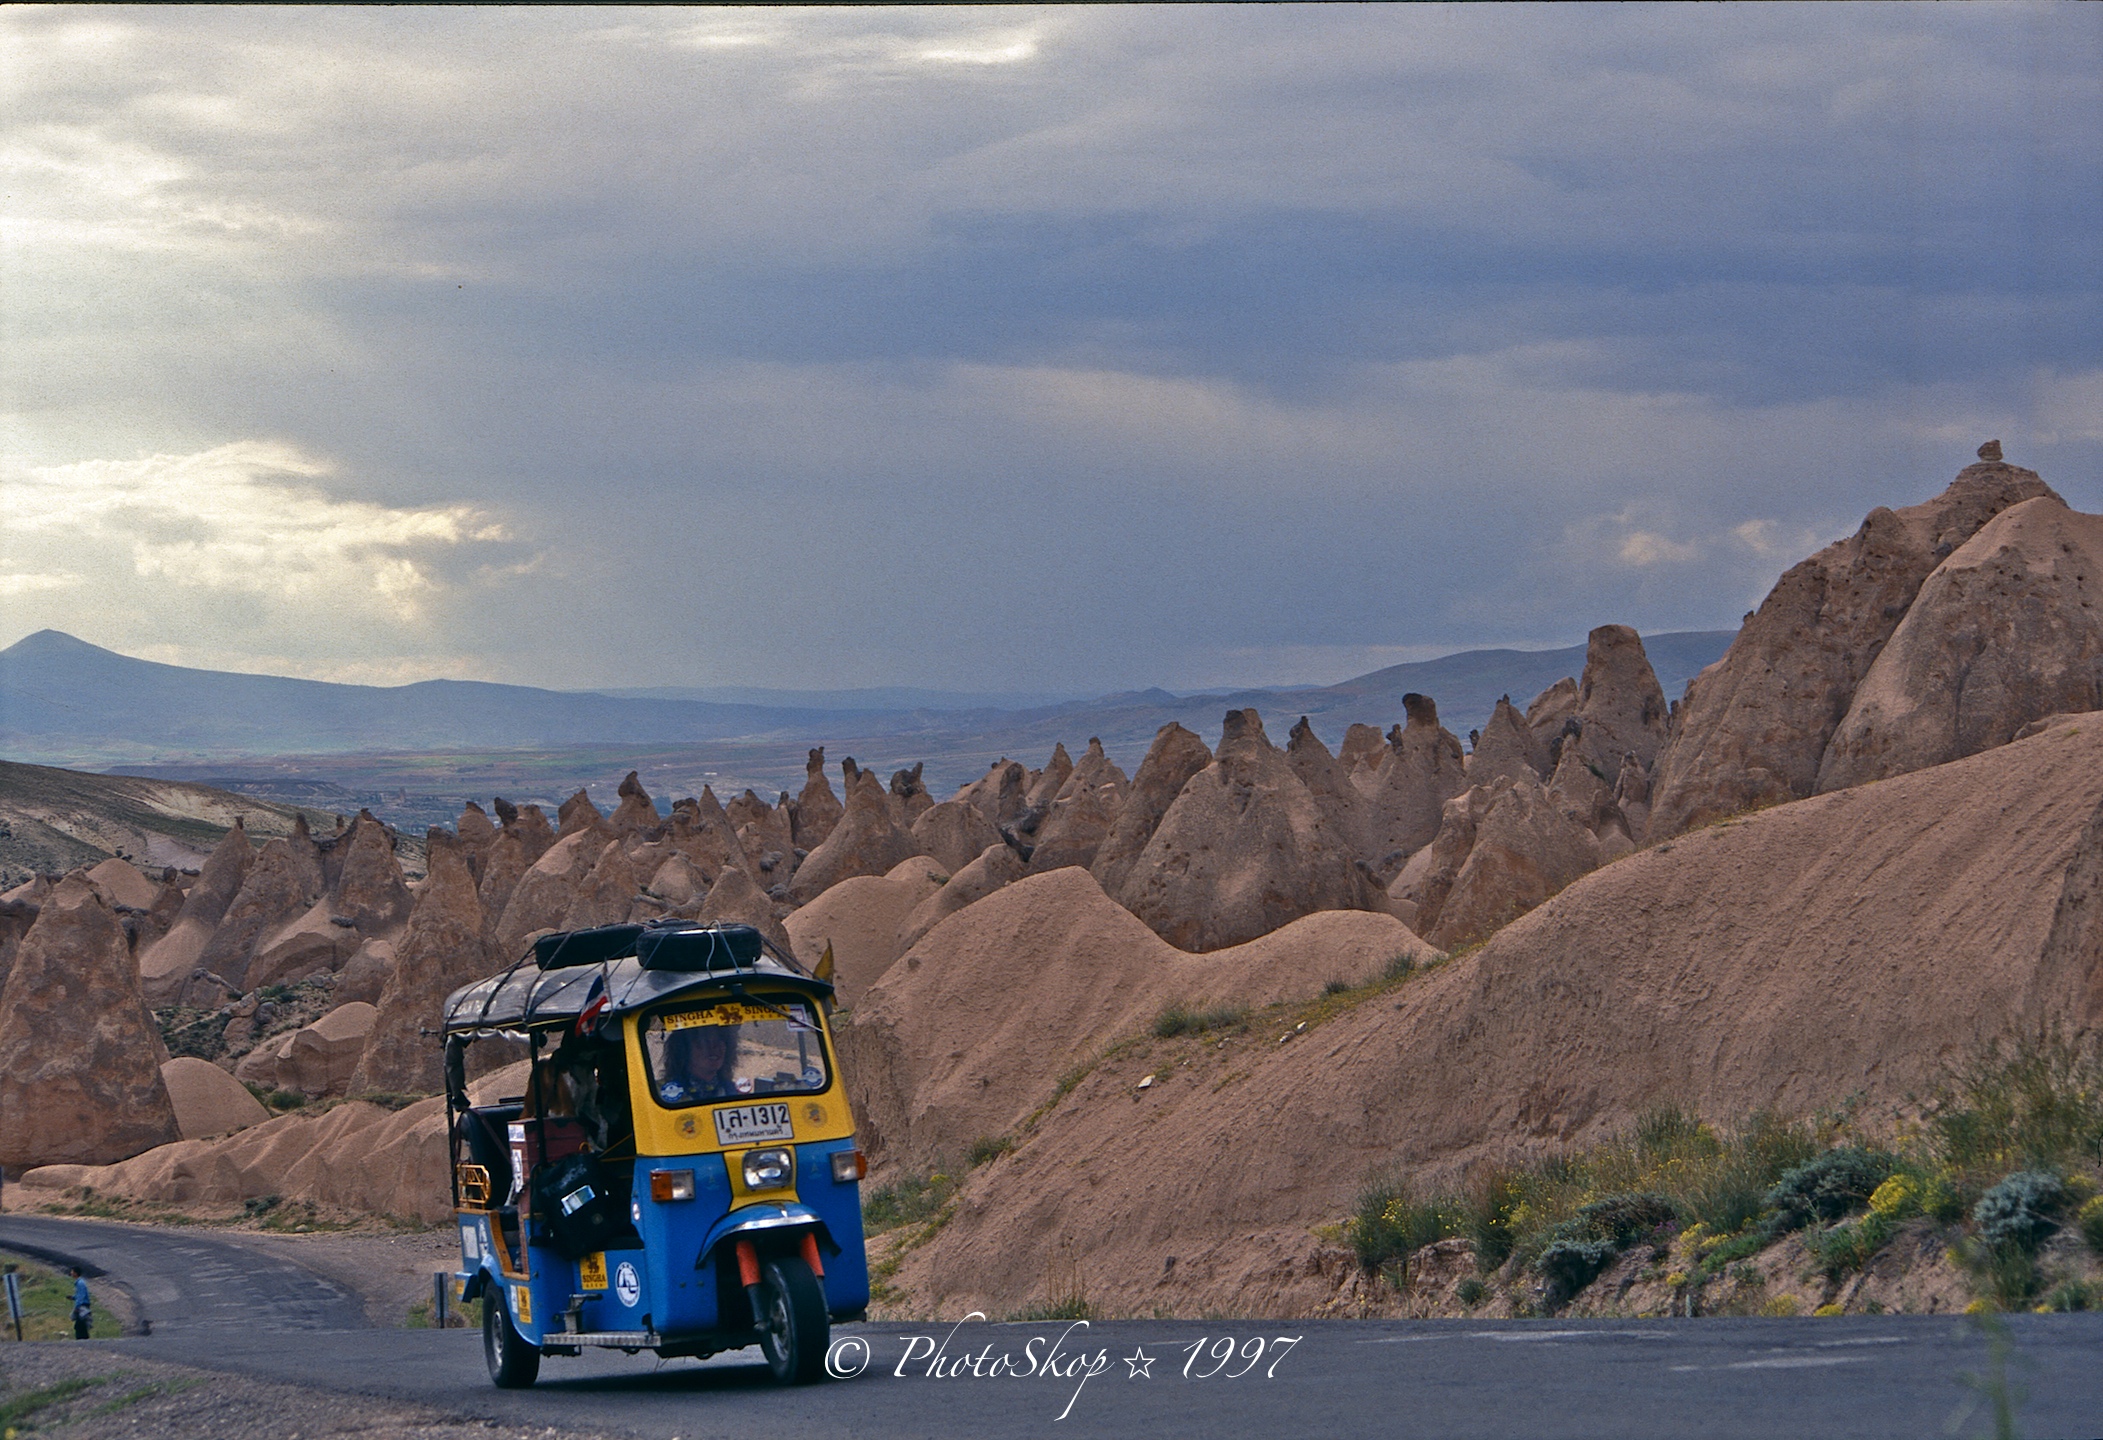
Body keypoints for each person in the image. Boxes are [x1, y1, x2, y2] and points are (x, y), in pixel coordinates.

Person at [657, 1024, 738, 1104]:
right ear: (684, 1049)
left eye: (720, 1041)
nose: (714, 1047)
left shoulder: (734, 1091)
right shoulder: (658, 1092)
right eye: (704, 1041)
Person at [69, 1267, 90, 1339]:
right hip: (82, 1305)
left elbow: (81, 1296)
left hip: (82, 1306)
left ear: (75, 1273)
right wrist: (73, 1297)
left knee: (80, 1324)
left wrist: (77, 1307)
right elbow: (79, 1295)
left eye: (72, 1271)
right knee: (81, 1323)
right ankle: (84, 1337)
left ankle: (82, 1338)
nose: (71, 1273)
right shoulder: (79, 1282)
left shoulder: (80, 1283)